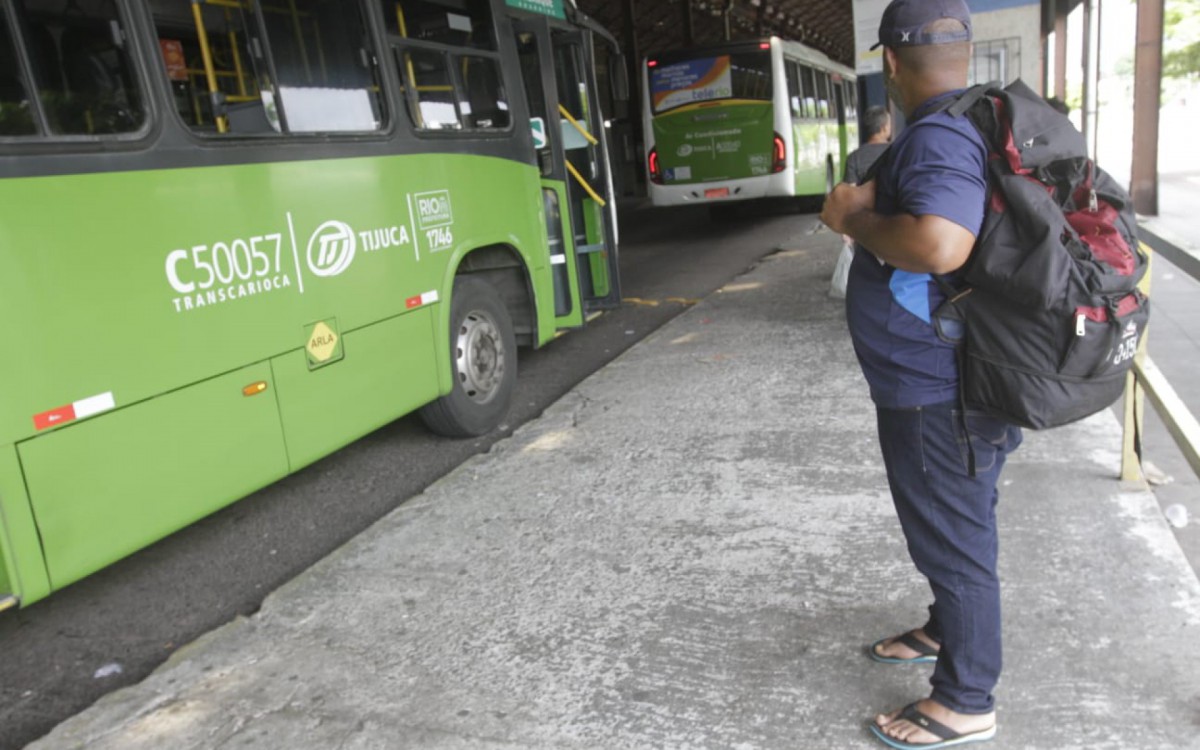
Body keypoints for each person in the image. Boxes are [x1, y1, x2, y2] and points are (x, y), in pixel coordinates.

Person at [819, 1, 1023, 748]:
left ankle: (966, 701)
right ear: (964, 52)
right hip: (955, 376)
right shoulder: (967, 121)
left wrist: (849, 219)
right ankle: (945, 628)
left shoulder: (937, 136)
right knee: (954, 522)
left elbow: (939, 245)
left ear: (890, 63)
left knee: (956, 538)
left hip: (938, 389)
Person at [844, 105, 893, 185]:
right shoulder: (897, 151)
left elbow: (851, 190)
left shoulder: (854, 158)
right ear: (884, 128)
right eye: (889, 124)